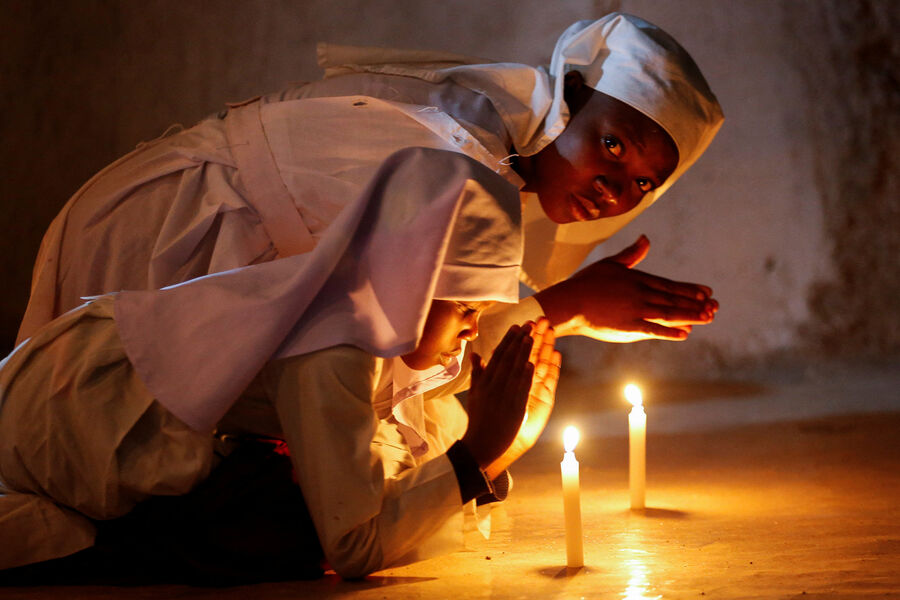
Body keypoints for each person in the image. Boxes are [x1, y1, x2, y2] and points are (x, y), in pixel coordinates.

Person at [16, 12, 724, 360]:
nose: (614, 189)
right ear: (570, 96)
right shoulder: (470, 153)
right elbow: (418, 352)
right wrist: (562, 308)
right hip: (168, 232)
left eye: (642, 184)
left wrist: (558, 309)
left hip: (210, 245)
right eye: (611, 145)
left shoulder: (504, 151)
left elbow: (439, 340)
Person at [0, 148, 561, 582]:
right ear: (413, 285)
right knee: (284, 533)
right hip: (67, 412)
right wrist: (476, 456)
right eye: (465, 307)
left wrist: (491, 449)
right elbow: (354, 548)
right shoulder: (334, 342)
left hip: (59, 379)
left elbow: (376, 474)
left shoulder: (358, 318)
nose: (470, 330)